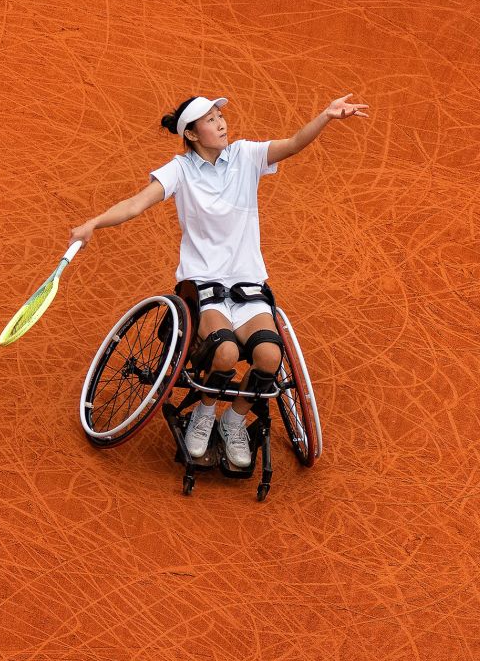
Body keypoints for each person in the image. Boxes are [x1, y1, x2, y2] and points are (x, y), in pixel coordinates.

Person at [68, 94, 368, 466]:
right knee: (224, 352)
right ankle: (203, 414)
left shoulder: (245, 156)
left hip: (248, 285)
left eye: (220, 115)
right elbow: (135, 204)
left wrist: (325, 116)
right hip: (203, 287)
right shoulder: (179, 170)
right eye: (210, 120)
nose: (221, 122)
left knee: (270, 356)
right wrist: (93, 223)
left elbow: (292, 145)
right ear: (192, 134)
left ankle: (234, 419)